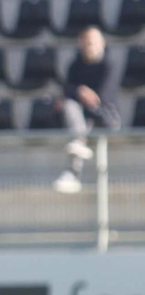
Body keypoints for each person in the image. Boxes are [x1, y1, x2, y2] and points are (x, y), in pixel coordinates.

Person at [54, 26, 121, 194]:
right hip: (83, 119)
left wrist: (83, 93)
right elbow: (67, 90)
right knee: (69, 106)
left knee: (81, 130)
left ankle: (72, 172)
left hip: (106, 118)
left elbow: (104, 98)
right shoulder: (75, 66)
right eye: (86, 41)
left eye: (93, 41)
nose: (89, 45)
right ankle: (74, 163)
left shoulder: (109, 66)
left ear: (102, 43)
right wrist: (80, 91)